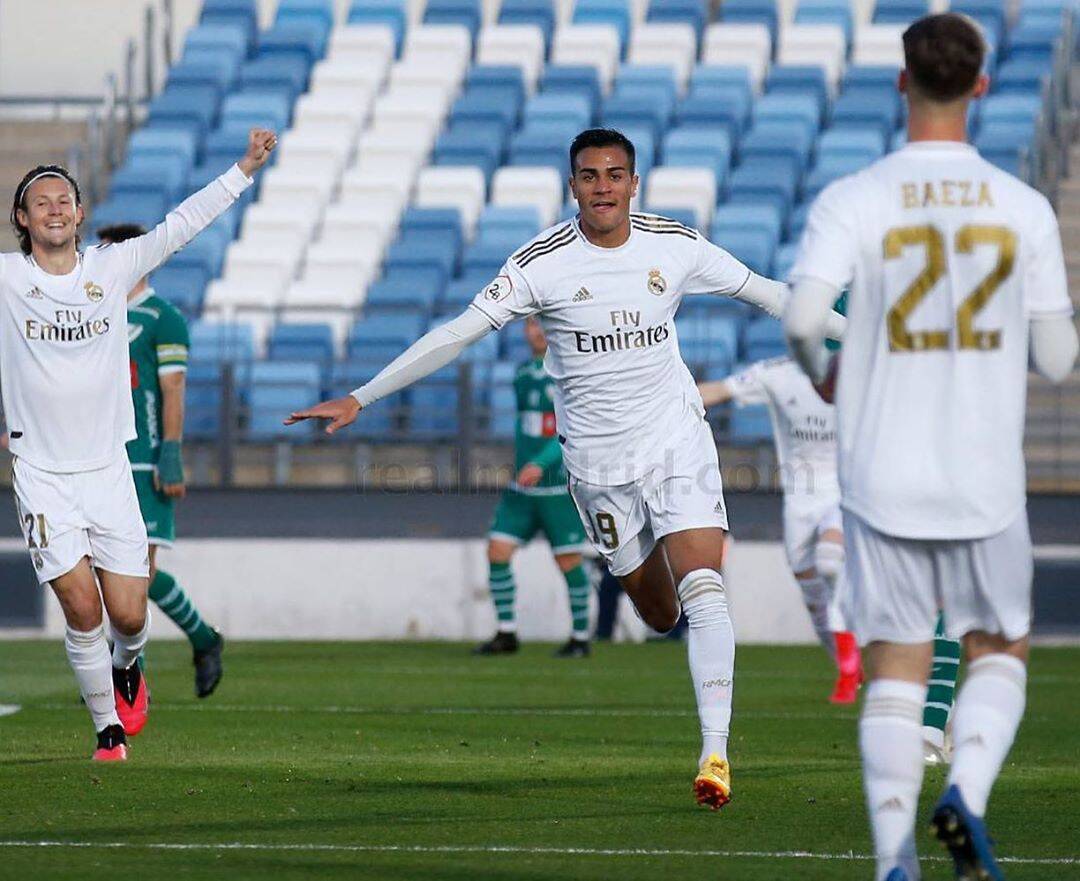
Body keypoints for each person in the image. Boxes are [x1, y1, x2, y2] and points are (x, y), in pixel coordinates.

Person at [287, 127, 844, 809]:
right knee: (659, 608)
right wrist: (361, 395)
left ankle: (715, 751)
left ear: (634, 184)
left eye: (616, 175)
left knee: (705, 586)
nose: (603, 187)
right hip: (597, 465)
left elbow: (771, 294)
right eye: (590, 176)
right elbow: (457, 332)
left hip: (676, 441)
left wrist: (868, 330)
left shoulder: (675, 244)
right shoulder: (539, 262)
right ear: (572, 184)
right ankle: (673, 638)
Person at [783, 14, 1077, 880]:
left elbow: (804, 318)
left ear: (902, 83)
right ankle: (969, 793)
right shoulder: (1021, 207)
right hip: (983, 476)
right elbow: (1057, 357)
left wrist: (829, 373)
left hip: (881, 475)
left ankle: (893, 861)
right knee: (997, 648)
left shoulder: (856, 196)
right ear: (981, 86)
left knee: (894, 669)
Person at [3, 127, 275, 762]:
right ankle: (108, 732)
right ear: (22, 218)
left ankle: (129, 667)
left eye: (63, 198)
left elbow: (182, 225)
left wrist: (242, 169)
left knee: (127, 616)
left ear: (80, 212)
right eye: (40, 201)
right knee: (78, 604)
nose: (54, 208)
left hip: (108, 470)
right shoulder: (8, 280)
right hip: (41, 473)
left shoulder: (112, 266)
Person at [97, 223, 225, 698]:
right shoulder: (95, 314)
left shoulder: (162, 318)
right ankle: (204, 639)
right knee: (113, 573)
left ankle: (129, 680)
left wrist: (170, 452)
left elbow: (172, 389)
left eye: (114, 253)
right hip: (98, 457)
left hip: (144, 460)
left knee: (134, 574)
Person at [697, 357, 863, 703]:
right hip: (799, 502)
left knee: (830, 561)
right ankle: (849, 667)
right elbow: (718, 390)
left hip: (845, 492)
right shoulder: (778, 374)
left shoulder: (864, 373)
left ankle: (852, 668)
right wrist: (656, 402)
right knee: (814, 599)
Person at [474, 315, 592, 658]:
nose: (535, 330)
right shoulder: (523, 374)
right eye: (529, 325)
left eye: (541, 324)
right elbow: (528, 428)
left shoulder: (570, 372)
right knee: (497, 550)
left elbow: (568, 430)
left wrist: (541, 463)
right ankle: (506, 632)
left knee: (569, 561)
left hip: (557, 488)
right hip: (522, 489)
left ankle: (581, 638)